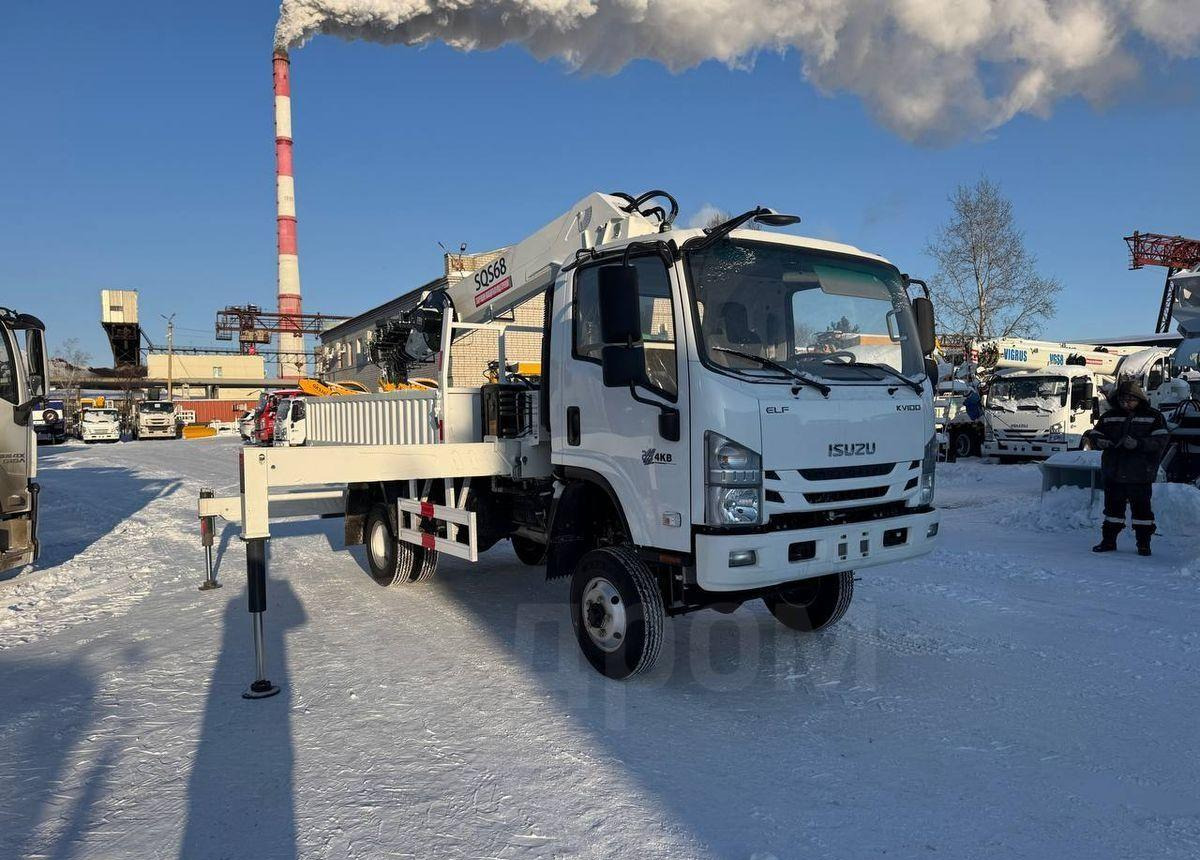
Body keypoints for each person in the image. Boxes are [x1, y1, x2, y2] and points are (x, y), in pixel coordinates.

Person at [1084, 379, 1170, 556]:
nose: (1126, 404)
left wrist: (1138, 444)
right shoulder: (1109, 416)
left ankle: (1144, 544)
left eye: (1130, 400)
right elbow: (1094, 433)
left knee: (1142, 512)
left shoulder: (1154, 417)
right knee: (1112, 511)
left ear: (1139, 399)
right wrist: (1098, 441)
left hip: (1140, 474)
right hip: (1114, 472)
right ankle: (1108, 541)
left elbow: (1161, 440)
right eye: (1123, 400)